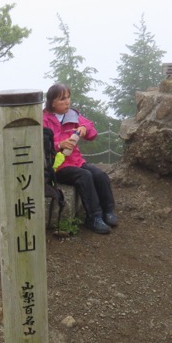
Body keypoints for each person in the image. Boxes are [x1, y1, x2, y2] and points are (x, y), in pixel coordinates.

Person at [42, 83, 118, 234]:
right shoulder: (43, 119)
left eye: (68, 97)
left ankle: (107, 211)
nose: (67, 101)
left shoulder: (73, 115)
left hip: (76, 160)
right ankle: (93, 217)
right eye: (62, 99)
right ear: (52, 102)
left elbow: (92, 133)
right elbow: (39, 143)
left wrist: (84, 129)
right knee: (85, 176)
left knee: (100, 175)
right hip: (57, 165)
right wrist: (58, 145)